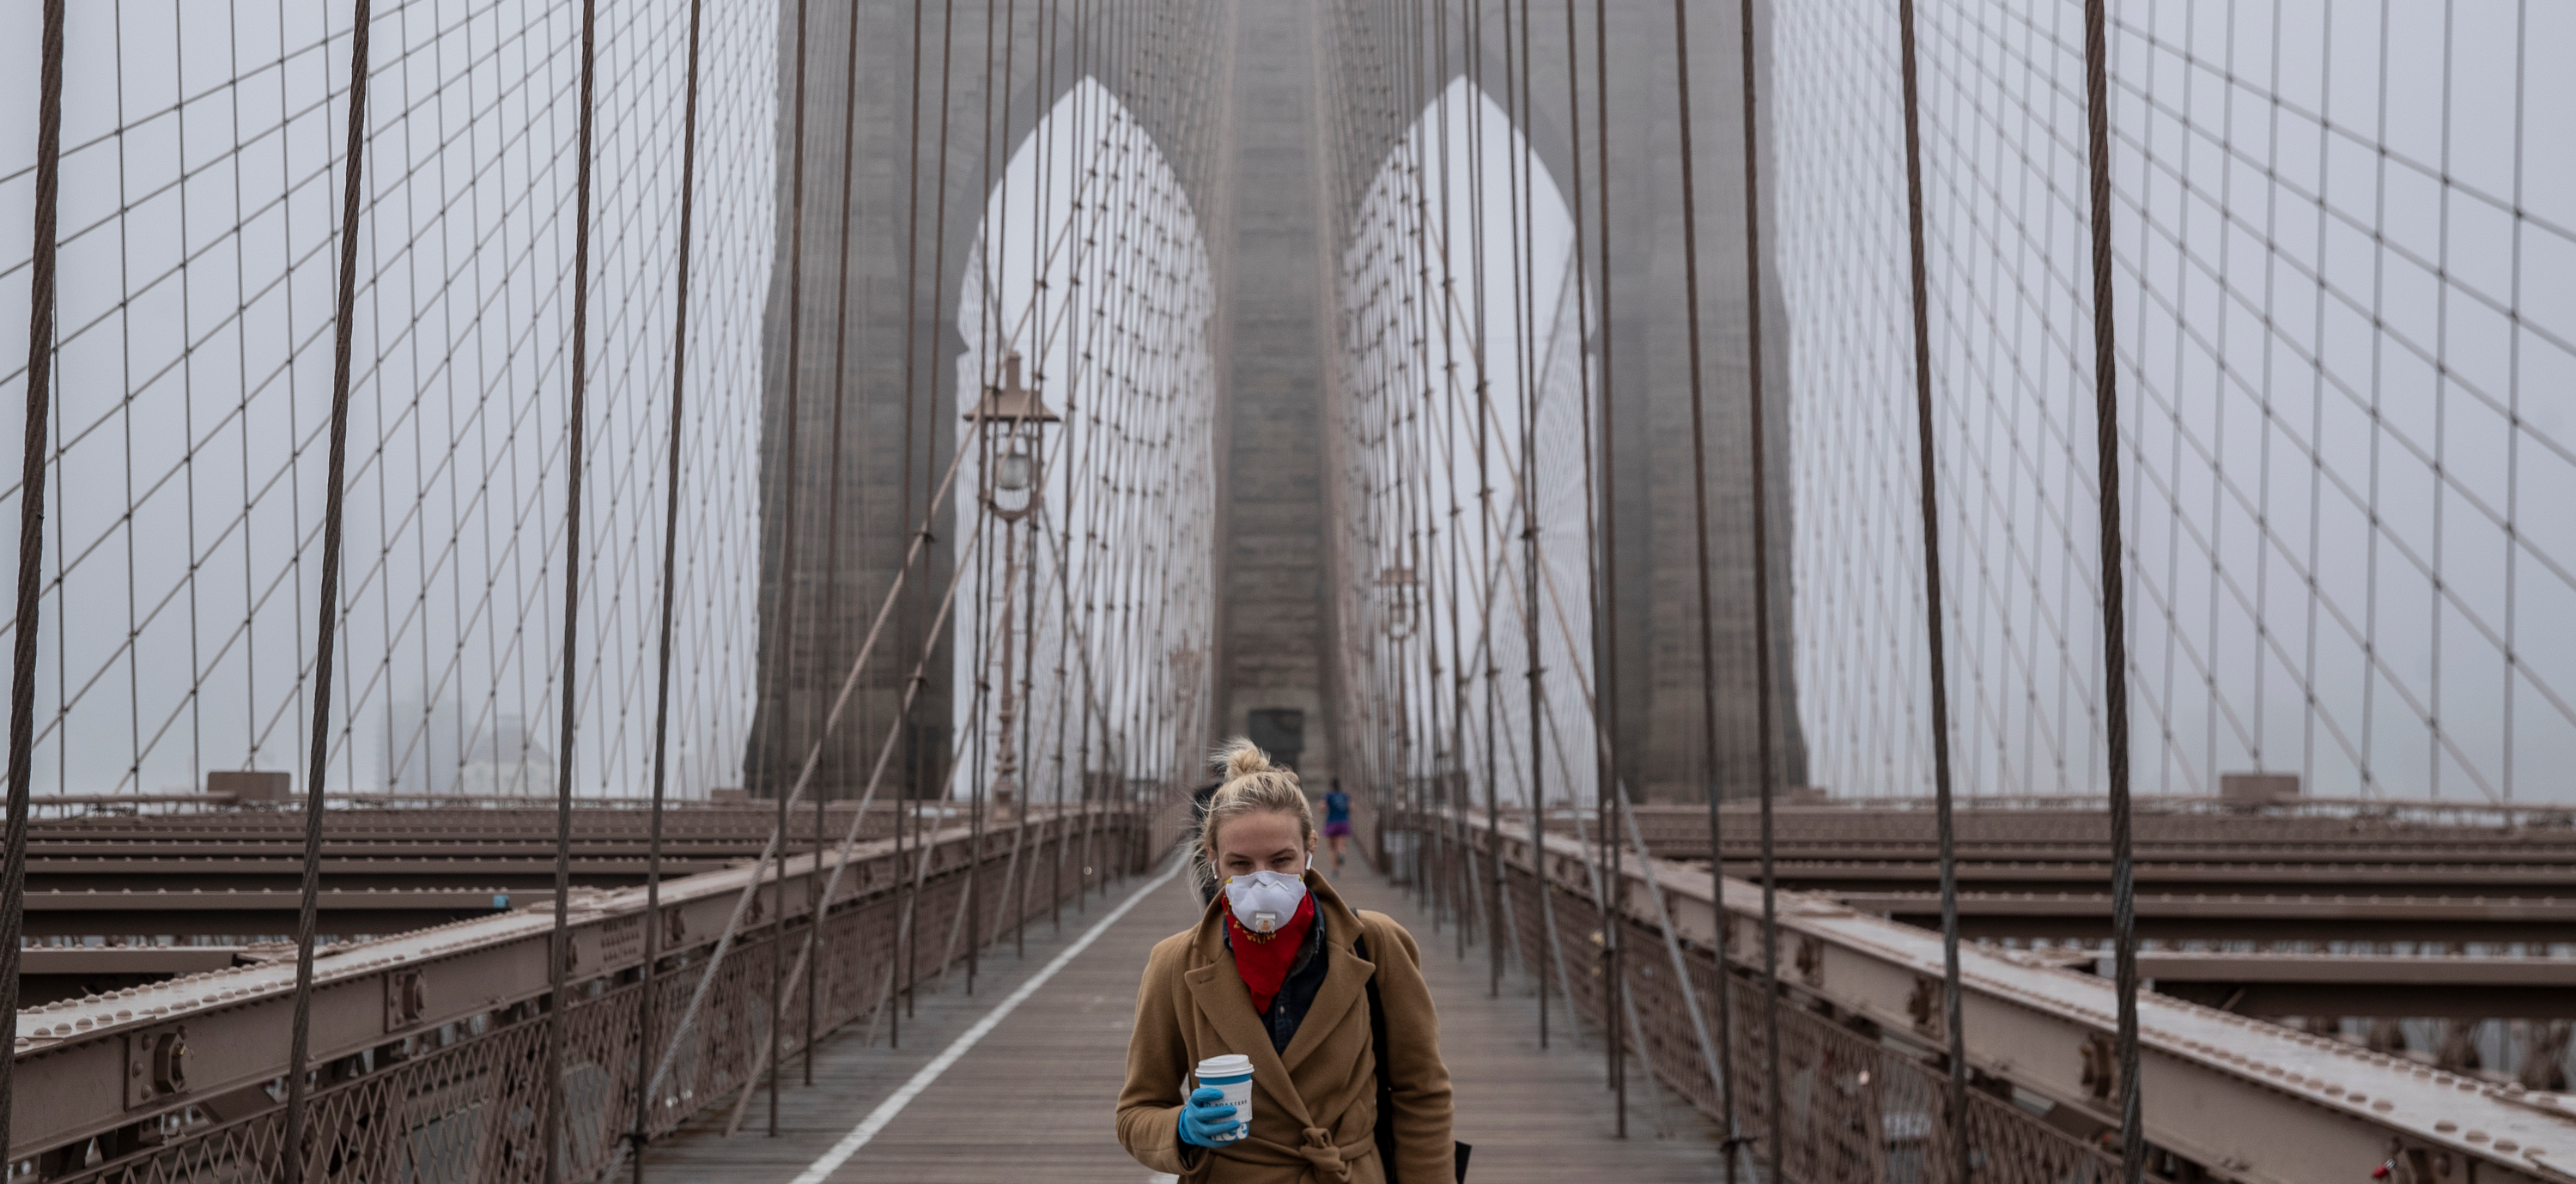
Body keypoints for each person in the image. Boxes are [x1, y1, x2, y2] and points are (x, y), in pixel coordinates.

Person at [1118, 740, 1455, 1183]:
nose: (1263, 879)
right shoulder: (1174, 965)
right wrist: (1181, 1129)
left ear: (1309, 849)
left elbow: (1422, 1093)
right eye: (1240, 863)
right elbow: (1136, 1113)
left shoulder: (1376, 945)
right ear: (1213, 861)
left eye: (1281, 860)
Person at [1320, 780, 1352, 875]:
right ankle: (1342, 852)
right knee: (1342, 844)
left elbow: (1322, 807)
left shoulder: (1328, 796)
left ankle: (1335, 870)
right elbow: (1350, 808)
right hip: (1343, 821)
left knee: (1332, 848)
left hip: (1332, 821)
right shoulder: (1345, 795)